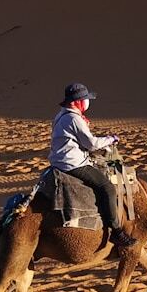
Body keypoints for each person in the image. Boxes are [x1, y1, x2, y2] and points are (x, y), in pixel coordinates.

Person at [50, 82, 134, 246]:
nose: (87, 102)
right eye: (84, 99)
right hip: (73, 163)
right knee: (107, 187)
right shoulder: (74, 118)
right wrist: (111, 139)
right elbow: (91, 144)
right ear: (76, 102)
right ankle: (116, 231)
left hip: (58, 161)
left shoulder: (61, 115)